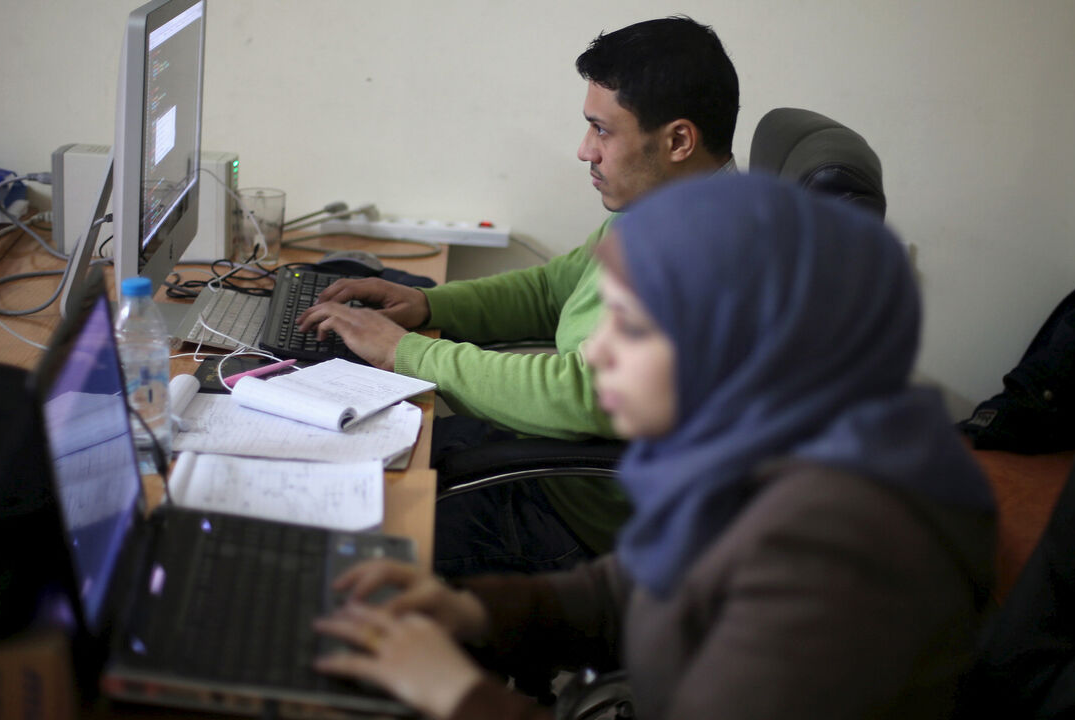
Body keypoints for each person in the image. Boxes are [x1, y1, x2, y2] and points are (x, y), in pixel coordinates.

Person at [308, 172, 998, 719]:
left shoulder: (836, 569)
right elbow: (630, 590)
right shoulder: (757, 453)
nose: (597, 350)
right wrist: (474, 611)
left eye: (630, 328)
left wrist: (457, 694)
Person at [297, 16, 740, 575]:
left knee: (327, 553)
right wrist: (432, 307)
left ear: (678, 140)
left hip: (576, 525)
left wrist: (404, 352)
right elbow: (553, 288)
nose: (585, 151)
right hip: (548, 468)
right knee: (334, 457)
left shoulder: (707, 253)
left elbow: (589, 394)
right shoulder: (664, 210)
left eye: (603, 131)